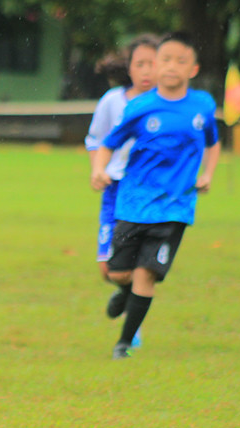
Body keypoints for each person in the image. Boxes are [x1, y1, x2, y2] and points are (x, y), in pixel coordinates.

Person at [90, 32, 220, 359]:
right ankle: (123, 291)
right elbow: (108, 143)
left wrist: (207, 174)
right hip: (133, 202)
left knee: (147, 273)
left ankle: (124, 343)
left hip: (175, 207)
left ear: (193, 68)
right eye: (166, 60)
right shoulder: (140, 106)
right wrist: (99, 169)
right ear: (156, 65)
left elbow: (213, 142)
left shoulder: (203, 105)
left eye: (180, 61)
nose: (171, 66)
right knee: (117, 271)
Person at [86, 35, 158, 350]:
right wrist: (97, 170)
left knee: (141, 263)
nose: (147, 71)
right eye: (140, 63)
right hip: (115, 190)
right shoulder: (113, 101)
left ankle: (133, 321)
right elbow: (96, 140)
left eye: (153, 64)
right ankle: (127, 294)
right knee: (109, 267)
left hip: (147, 195)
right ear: (128, 67)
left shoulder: (166, 106)